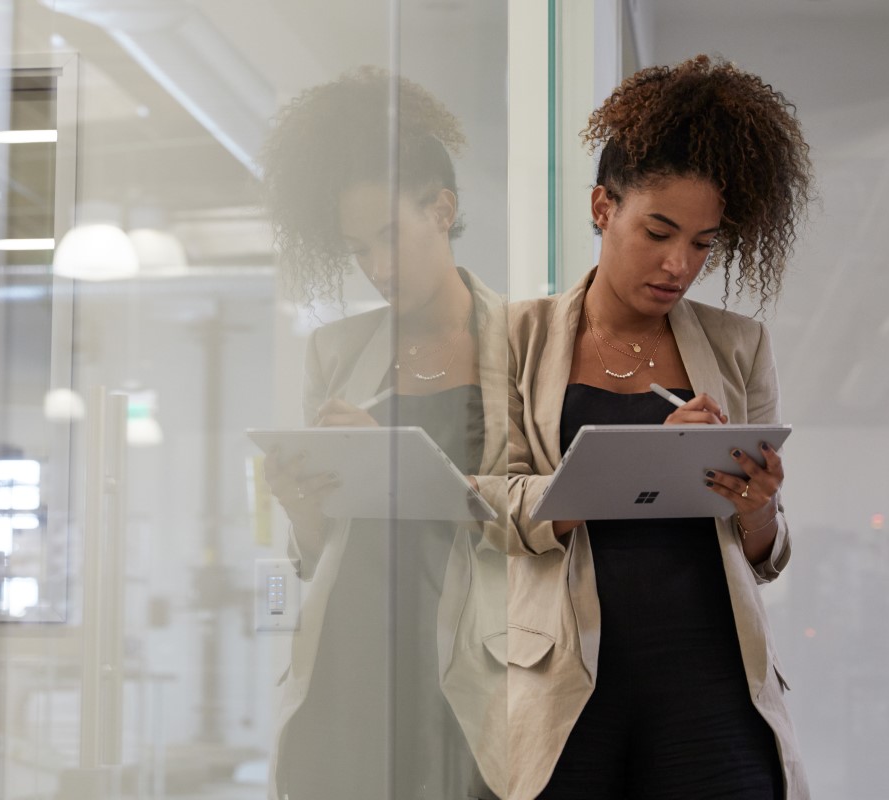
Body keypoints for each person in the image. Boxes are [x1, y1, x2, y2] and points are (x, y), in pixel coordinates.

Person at [506, 54, 814, 799]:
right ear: (603, 208)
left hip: (712, 682)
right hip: (564, 687)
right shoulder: (517, 337)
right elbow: (486, 500)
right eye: (658, 231)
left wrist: (758, 506)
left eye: (703, 243)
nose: (679, 263)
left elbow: (766, 555)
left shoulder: (740, 346)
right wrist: (601, 479)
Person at [259, 67, 508, 800]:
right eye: (357, 249)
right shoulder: (335, 354)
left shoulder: (527, 343)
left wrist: (397, 463)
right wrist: (302, 506)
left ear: (442, 209)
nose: (375, 267)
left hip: (469, 656)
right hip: (354, 651)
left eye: (387, 238)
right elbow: (322, 549)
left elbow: (544, 522)